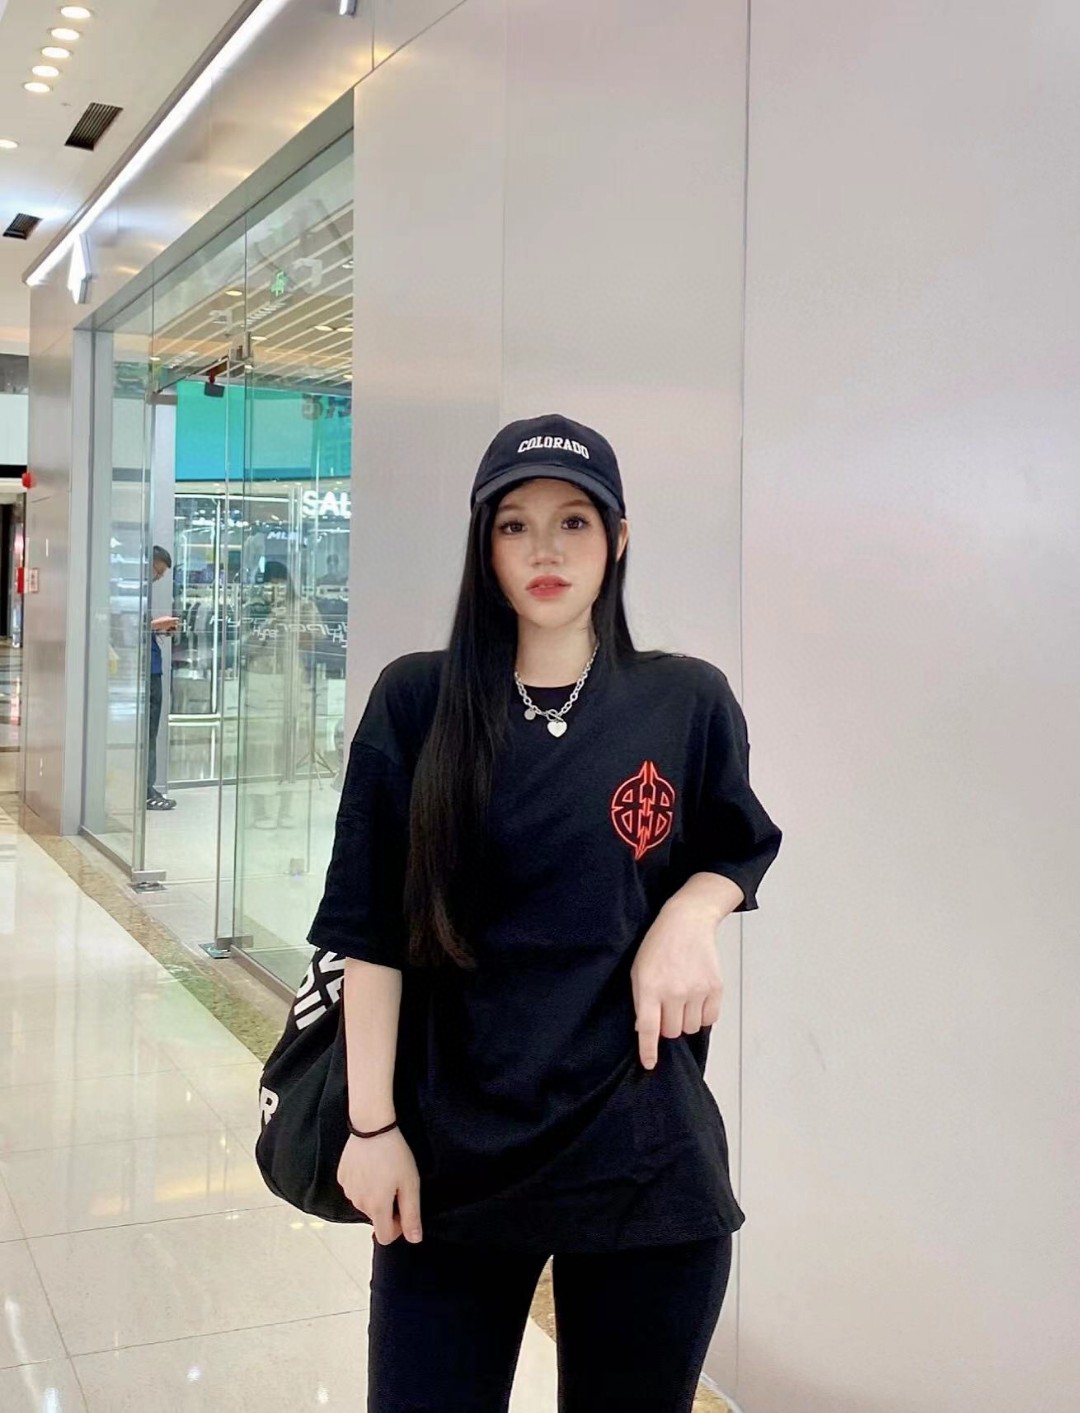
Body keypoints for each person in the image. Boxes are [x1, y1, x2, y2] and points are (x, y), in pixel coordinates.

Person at [308, 414, 782, 1412]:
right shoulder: (418, 701)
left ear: (618, 537)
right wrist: (371, 1126)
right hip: (447, 1159)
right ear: (484, 545)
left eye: (574, 521)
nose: (545, 551)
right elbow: (368, 931)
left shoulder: (684, 701)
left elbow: (738, 843)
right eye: (515, 525)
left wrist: (691, 912)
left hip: (641, 1157)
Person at [147, 545, 179, 812]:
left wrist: (159, 630)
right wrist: (155, 626)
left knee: (151, 731)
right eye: (156, 572)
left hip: (152, 667)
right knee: (148, 731)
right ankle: (146, 790)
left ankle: (147, 786)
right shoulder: (131, 593)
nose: (157, 578)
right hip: (147, 671)